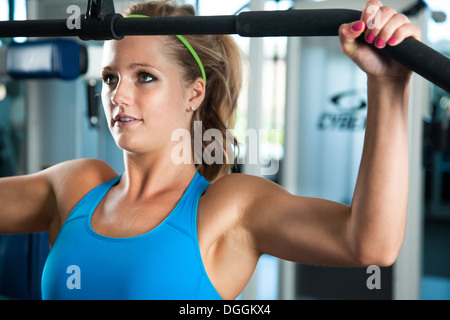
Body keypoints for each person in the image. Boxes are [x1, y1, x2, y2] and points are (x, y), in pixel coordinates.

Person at [0, 0, 421, 300]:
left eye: (144, 77)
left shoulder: (228, 207)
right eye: (110, 78)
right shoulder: (75, 186)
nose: (118, 95)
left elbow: (371, 245)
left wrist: (387, 86)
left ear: (193, 93)